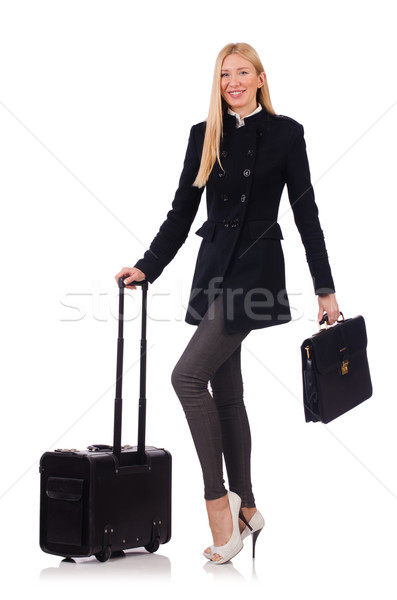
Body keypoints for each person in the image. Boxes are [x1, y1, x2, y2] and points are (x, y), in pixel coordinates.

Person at [115, 42, 340, 564]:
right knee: (226, 390)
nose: (232, 83)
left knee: (186, 377)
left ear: (261, 78)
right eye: (224, 76)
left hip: (255, 272)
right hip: (213, 269)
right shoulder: (204, 135)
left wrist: (325, 287)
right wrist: (149, 264)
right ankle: (249, 508)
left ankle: (218, 501)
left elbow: (307, 214)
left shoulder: (287, 134)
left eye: (242, 73)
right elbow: (180, 210)